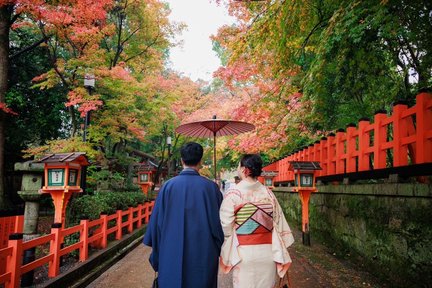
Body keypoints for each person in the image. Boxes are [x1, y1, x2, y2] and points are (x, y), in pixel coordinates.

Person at [143, 142, 224, 288]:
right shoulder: (211, 188)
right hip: (204, 254)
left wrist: (158, 253)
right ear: (200, 161)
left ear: (181, 160)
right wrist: (218, 248)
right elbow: (219, 225)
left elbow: (156, 226)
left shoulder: (167, 187)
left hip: (170, 253)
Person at [219, 154, 294, 288]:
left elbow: (226, 225)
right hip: (267, 252)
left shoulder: (233, 194)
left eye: (239, 165)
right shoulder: (268, 193)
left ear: (244, 170)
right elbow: (278, 221)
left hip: (243, 253)